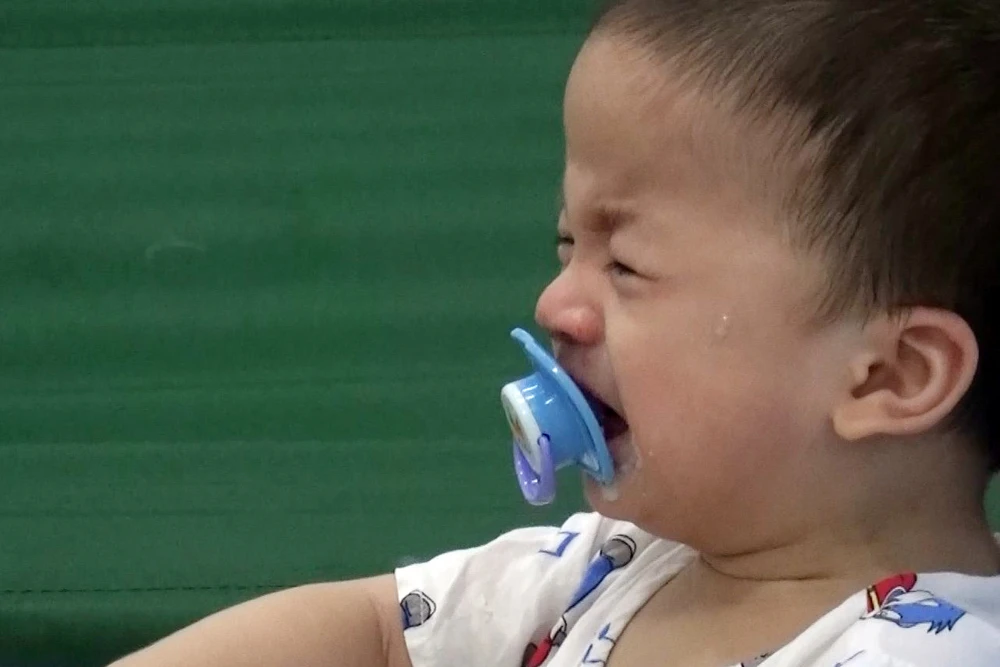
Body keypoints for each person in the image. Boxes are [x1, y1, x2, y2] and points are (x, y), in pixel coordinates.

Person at [109, 1, 1000, 665]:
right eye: (568, 243)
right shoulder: (602, 570)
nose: (554, 301)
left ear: (888, 374)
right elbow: (378, 632)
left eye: (628, 265)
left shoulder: (928, 650)